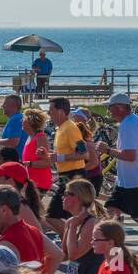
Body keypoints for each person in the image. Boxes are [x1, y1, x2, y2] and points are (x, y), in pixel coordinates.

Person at [94, 92, 138, 249]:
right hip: (126, 181)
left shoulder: (127, 125)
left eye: (110, 108)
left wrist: (107, 150)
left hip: (135, 182)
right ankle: (117, 251)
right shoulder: (137, 121)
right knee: (111, 210)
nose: (109, 112)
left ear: (120, 108)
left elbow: (130, 155)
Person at [43, 98, 88, 237]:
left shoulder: (70, 128)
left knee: (52, 215)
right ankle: (73, 243)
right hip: (65, 175)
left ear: (61, 111)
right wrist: (49, 155)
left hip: (74, 176)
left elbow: (84, 153)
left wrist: (60, 157)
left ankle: (74, 241)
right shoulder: (60, 128)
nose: (49, 113)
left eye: (51, 110)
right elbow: (62, 153)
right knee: (70, 216)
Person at [19, 108, 54, 196]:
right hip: (32, 182)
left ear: (29, 122)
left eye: (23, 119)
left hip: (40, 182)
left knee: (31, 208)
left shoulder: (40, 137)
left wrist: (28, 163)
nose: (21, 121)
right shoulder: (31, 137)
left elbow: (47, 163)